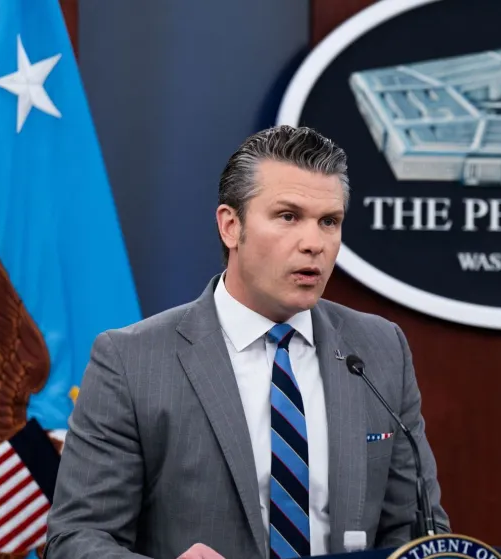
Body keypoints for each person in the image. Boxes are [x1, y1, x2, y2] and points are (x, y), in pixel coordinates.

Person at [44, 125, 449, 559]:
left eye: (329, 222)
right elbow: (76, 538)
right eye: (288, 216)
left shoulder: (379, 349)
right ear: (230, 226)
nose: (314, 243)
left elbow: (418, 533)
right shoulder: (132, 361)